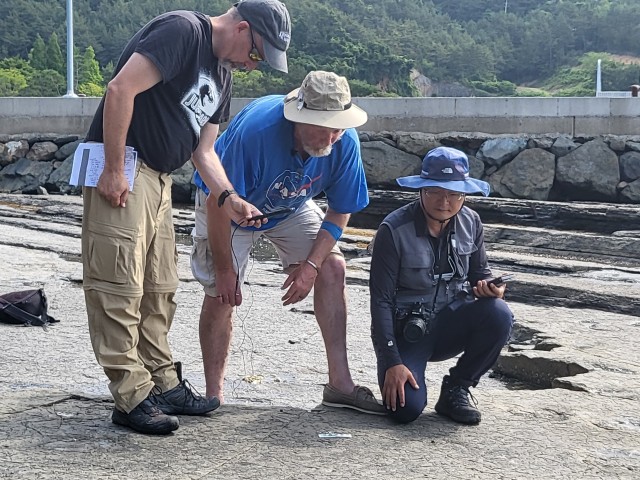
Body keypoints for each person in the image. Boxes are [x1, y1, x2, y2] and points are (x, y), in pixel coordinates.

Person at [82, 0, 291, 435]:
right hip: (127, 166)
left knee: (159, 287)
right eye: (256, 55)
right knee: (118, 284)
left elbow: (204, 151)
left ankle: (160, 379)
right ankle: (130, 395)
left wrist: (229, 196)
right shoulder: (183, 32)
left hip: (159, 178)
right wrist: (114, 169)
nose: (253, 67)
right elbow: (120, 90)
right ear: (243, 28)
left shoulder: (223, 75)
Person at [191, 70, 386, 415]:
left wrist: (310, 266)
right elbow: (216, 201)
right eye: (320, 127)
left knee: (332, 265)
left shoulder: (344, 142)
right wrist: (224, 269)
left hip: (289, 203)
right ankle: (213, 393)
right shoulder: (258, 133)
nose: (330, 136)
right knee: (223, 292)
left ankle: (340, 383)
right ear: (297, 118)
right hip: (230, 203)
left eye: (337, 127)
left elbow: (340, 211)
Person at [369, 147, 514, 425]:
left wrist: (494, 290)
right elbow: (381, 301)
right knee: (405, 411)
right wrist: (391, 362)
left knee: (499, 312)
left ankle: (457, 388)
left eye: (454, 194)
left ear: (464, 194)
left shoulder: (472, 222)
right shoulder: (392, 230)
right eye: (435, 191)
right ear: (421, 190)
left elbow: (480, 274)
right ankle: (406, 373)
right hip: (409, 333)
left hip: (452, 323)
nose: (444, 201)